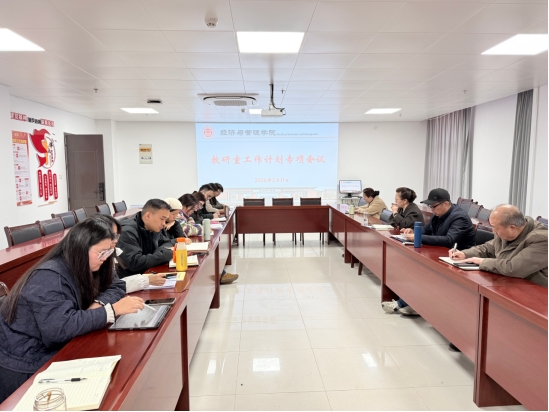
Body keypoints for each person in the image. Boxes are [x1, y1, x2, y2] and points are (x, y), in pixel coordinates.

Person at [0, 219, 144, 403]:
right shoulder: (48, 277)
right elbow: (58, 330)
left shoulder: (92, 262)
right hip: (26, 363)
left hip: (57, 346)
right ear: (80, 248)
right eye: (101, 252)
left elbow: (116, 285)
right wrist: (111, 311)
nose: (105, 257)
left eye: (109, 251)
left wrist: (99, 304)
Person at [382, 188, 476, 316]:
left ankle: (404, 304)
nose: (431, 210)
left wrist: (418, 237)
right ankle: (411, 303)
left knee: (423, 273)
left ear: (446, 203)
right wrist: (414, 231)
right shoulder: (438, 214)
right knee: (415, 268)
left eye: (434, 206)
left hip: (459, 259)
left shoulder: (459, 218)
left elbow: (449, 240)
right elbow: (428, 229)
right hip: (442, 254)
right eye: (430, 207)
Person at [451, 204, 548, 287]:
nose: (493, 231)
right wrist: (464, 254)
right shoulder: (505, 231)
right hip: (509, 283)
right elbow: (488, 248)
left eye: (495, 228)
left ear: (512, 228)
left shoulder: (542, 239)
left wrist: (482, 262)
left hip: (536, 293)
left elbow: (513, 268)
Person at [92, 214, 168, 293]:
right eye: (112, 236)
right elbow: (107, 290)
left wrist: (146, 280)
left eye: (117, 236)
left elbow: (115, 285)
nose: (116, 240)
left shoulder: (110, 252)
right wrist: (146, 280)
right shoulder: (94, 258)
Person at [116, 198, 174, 278]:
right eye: (162, 219)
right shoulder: (127, 231)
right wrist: (165, 254)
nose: (164, 223)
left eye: (165, 220)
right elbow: (135, 263)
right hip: (132, 279)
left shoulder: (152, 226)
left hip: (148, 273)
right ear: (148, 215)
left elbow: (167, 242)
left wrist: (158, 253)